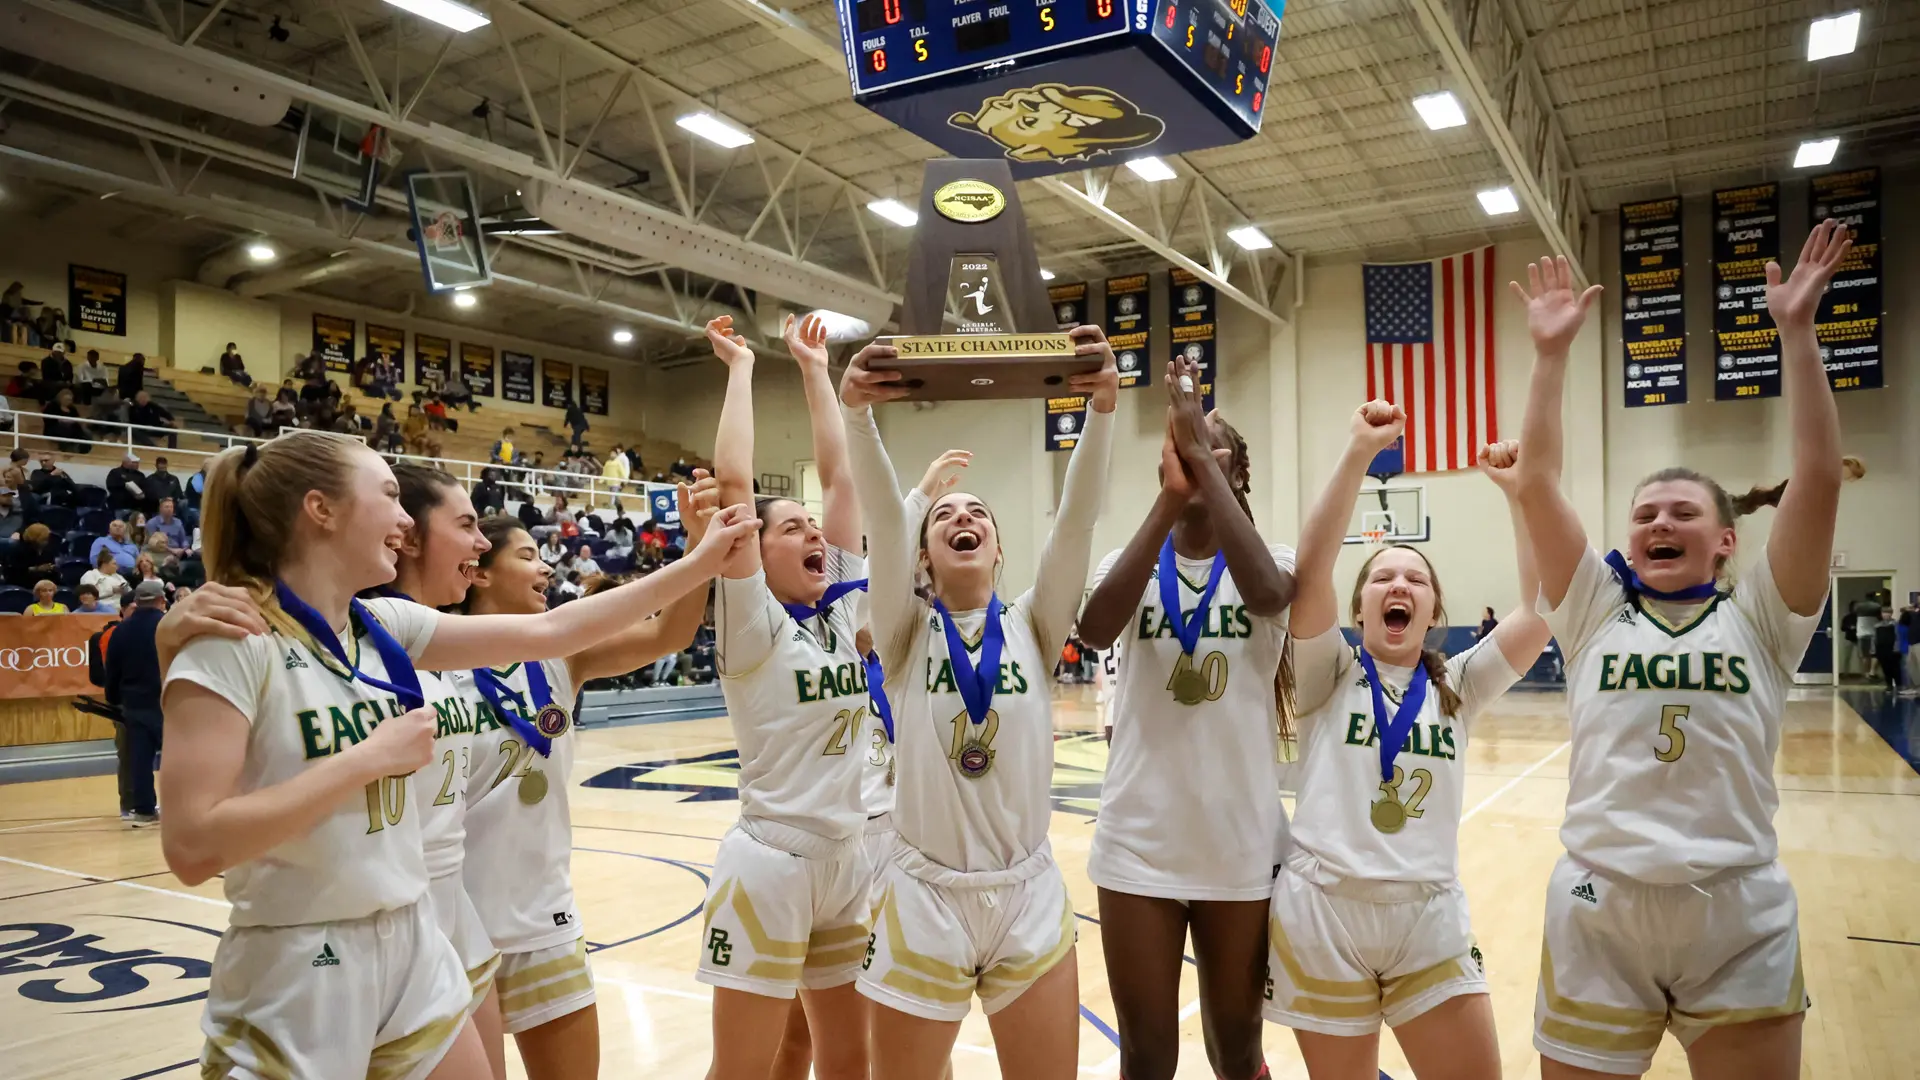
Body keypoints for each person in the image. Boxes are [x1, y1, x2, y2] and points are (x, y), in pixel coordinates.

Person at [153, 429, 755, 1080]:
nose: (403, 519)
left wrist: (701, 561)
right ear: (320, 509)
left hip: (414, 930)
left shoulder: (384, 627)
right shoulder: (229, 642)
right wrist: (365, 759)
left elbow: (552, 630)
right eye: (388, 494)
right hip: (300, 955)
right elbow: (191, 849)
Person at [1512, 232, 1853, 1080]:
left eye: (1682, 513)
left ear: (1727, 539)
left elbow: (1816, 475)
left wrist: (1800, 335)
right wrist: (1549, 358)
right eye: (1645, 514)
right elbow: (1537, 482)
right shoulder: (1593, 607)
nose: (1659, 523)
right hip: (1600, 904)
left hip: (1737, 911)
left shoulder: (1766, 616)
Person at [840, 323, 1117, 1079]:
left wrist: (1100, 412)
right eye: (943, 518)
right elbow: (881, 523)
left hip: (1025, 893)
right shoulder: (902, 631)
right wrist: (856, 416)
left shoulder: (1032, 621)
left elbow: (1077, 522)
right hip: (922, 896)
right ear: (924, 553)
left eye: (979, 515)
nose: (962, 519)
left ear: (997, 547)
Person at [1265, 404, 1550, 1079]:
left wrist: (1519, 498)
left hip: (1427, 913)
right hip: (1323, 912)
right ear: (1359, 606)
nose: (1399, 584)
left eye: (1415, 578)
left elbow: (1542, 610)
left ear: (1432, 610)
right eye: (1383, 578)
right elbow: (1310, 572)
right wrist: (1358, 453)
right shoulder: (1326, 671)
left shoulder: (1461, 681)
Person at [446, 501, 725, 1080]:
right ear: (479, 572)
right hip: (453, 924)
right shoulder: (426, 662)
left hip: (544, 917)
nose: (546, 568)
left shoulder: (560, 656)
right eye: (527, 556)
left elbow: (670, 632)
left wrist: (700, 552)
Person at [1073, 357, 1295, 1080]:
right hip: (1139, 842)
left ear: (1237, 468)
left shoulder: (1272, 560)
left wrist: (1204, 462)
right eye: (1181, 443)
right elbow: (1097, 627)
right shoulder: (1127, 559)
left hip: (1240, 842)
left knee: (1237, 1050)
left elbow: (1266, 596)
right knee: (1146, 1055)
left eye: (1207, 444)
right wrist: (1171, 499)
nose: (1193, 454)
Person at [691, 313, 881, 1080]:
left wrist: (814, 370)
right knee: (742, 1067)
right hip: (771, 860)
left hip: (846, 858)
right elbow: (735, 489)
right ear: (753, 549)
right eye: (791, 528)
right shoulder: (751, 624)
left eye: (814, 529)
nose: (813, 534)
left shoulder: (841, 609)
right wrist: (739, 369)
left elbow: (839, 479)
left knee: (848, 1058)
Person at [105, 579, 167, 824]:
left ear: (137, 602)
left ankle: (143, 810)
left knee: (140, 758)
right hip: (167, 700)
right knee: (176, 756)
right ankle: (184, 808)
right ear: (162, 600)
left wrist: (114, 699)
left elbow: (113, 671)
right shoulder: (168, 625)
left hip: (134, 702)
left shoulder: (121, 630)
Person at [41, 385, 89, 452]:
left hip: (73, 427)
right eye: (66, 399)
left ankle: (82, 451)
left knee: (87, 433)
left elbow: (77, 418)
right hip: (54, 428)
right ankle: (66, 449)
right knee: (67, 429)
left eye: (70, 400)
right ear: (61, 398)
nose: (68, 401)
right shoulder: (52, 406)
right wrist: (69, 421)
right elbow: (51, 420)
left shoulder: (72, 408)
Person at [9, 524, 58, 588]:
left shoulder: (48, 551)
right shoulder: (18, 551)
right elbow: (14, 574)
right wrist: (36, 569)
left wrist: (52, 568)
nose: (47, 542)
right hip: (23, 585)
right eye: (44, 540)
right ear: (35, 539)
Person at [106, 452, 148, 516]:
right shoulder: (115, 472)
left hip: (135, 508)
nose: (137, 464)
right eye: (134, 462)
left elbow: (145, 488)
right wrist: (125, 485)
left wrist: (142, 495)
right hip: (118, 507)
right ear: (126, 462)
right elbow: (110, 486)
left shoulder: (140, 475)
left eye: (137, 462)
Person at [1873, 606, 1900, 693]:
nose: (1886, 615)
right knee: (1885, 668)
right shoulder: (1877, 625)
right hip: (1881, 649)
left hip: (1892, 649)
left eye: (1888, 613)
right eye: (1884, 613)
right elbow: (1874, 638)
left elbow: (1898, 637)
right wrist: (1873, 649)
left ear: (1891, 614)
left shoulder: (1895, 624)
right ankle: (1889, 685)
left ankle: (1899, 685)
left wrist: (1896, 647)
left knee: (1895, 668)